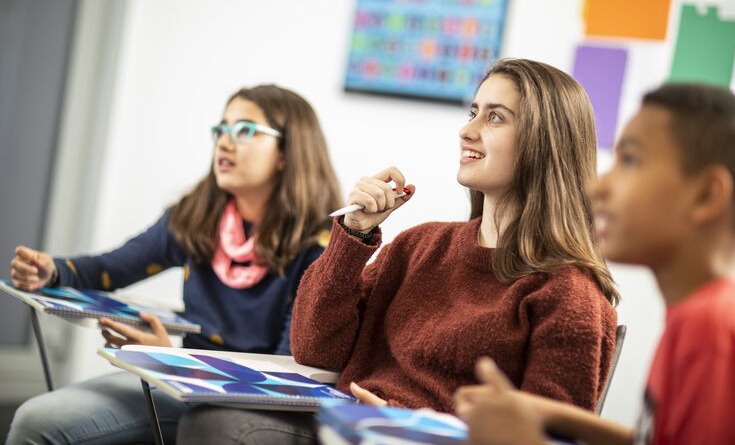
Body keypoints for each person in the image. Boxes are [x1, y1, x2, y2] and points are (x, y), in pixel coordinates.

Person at [176, 59, 620, 445]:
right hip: (339, 427)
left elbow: (546, 439)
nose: (467, 130)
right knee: (209, 418)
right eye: (472, 112)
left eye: (496, 118)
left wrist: (419, 428)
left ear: (546, 142)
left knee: (217, 427)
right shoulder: (420, 245)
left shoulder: (571, 296)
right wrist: (352, 238)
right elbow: (313, 348)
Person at [7, 84, 342, 445]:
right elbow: (113, 267)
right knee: (35, 420)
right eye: (221, 130)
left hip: (253, 405)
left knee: (207, 429)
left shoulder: (320, 248)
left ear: (286, 152)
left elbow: (285, 373)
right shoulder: (195, 215)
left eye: (244, 131)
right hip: (183, 381)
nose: (225, 143)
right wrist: (53, 271)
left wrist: (177, 362)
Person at [454, 83, 735, 445]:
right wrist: (547, 415)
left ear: (706, 195)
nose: (598, 187)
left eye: (630, 161)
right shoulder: (716, 310)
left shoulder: (710, 331)